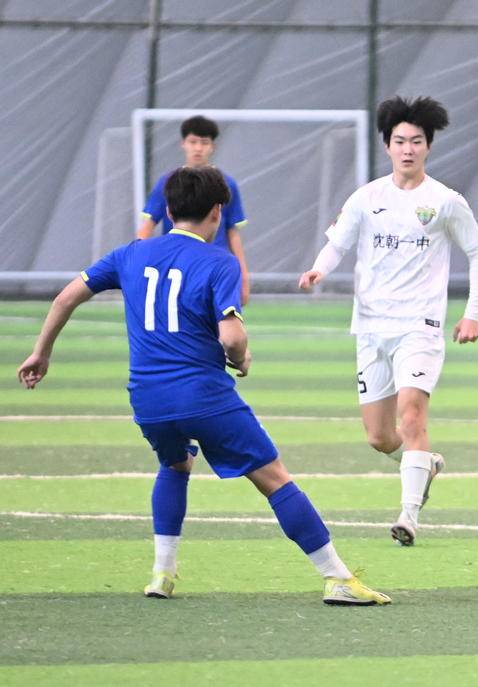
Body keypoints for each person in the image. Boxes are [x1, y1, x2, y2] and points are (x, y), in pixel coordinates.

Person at [18, 167, 390, 606]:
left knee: (175, 464)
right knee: (274, 478)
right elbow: (231, 337)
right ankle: (337, 578)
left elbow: (65, 297)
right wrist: (241, 358)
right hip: (203, 395)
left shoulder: (130, 253)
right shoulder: (219, 262)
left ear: (168, 209)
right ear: (217, 212)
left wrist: (41, 353)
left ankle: (162, 573)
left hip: (148, 398)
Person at [298, 96, 478, 546]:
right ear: (387, 146)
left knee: (412, 414)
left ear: (428, 146)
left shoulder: (445, 201)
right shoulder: (366, 198)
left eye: (416, 141)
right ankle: (425, 465)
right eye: (400, 141)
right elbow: (338, 244)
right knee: (380, 437)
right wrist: (318, 270)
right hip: (370, 328)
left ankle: (408, 516)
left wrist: (472, 314)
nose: (408, 149)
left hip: (419, 327)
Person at [137, 115, 252, 305]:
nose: (198, 148)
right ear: (183, 144)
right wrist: (138, 262)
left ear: (212, 146)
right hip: (179, 265)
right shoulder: (168, 183)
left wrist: (244, 277)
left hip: (215, 266)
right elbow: (146, 228)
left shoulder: (226, 184)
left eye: (204, 142)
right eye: (193, 142)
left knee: (221, 317)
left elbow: (233, 233)